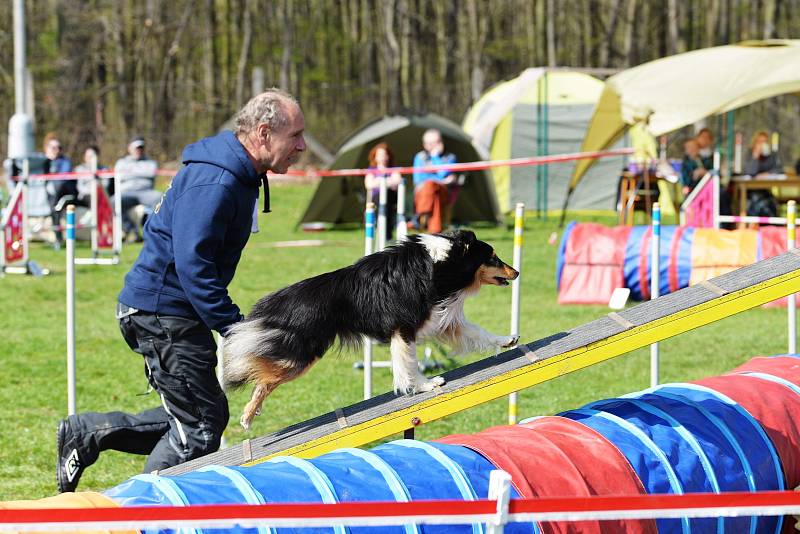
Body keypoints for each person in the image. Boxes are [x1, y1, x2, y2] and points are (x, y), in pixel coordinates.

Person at [55, 89, 307, 492]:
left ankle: (88, 433)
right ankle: (144, 514)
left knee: (200, 414)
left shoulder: (240, 174)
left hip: (171, 308)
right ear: (263, 133)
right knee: (199, 429)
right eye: (295, 135)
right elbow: (193, 265)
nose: (302, 146)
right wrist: (236, 330)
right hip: (162, 311)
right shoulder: (218, 180)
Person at [113, 136, 161, 242]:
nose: (139, 150)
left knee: (160, 199)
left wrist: (130, 173)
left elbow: (150, 173)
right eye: (136, 148)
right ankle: (131, 231)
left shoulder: (151, 162)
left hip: (146, 192)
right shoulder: (121, 162)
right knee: (113, 201)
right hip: (126, 193)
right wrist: (140, 173)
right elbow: (119, 176)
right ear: (129, 148)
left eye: (141, 148)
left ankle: (152, 231)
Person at [412, 129, 458, 233]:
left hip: (444, 193)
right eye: (431, 143)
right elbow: (418, 179)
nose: (435, 146)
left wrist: (435, 157)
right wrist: (441, 180)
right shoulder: (420, 157)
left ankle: (419, 216)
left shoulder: (450, 157)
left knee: (433, 187)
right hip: (423, 191)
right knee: (433, 191)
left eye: (437, 142)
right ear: (425, 145)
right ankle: (435, 230)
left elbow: (443, 173)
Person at [364, 142, 403, 241]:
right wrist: (387, 182)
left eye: (384, 154)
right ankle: (384, 234)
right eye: (380, 155)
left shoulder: (393, 169)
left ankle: (387, 234)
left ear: (388, 156)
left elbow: (397, 181)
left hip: (391, 198)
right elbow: (369, 184)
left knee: (387, 197)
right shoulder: (371, 170)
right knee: (381, 198)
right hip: (376, 199)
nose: (382, 157)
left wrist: (379, 182)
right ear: (375, 157)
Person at [43, 133, 75, 247]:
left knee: (54, 206)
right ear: (47, 149)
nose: (57, 150)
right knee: (53, 204)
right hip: (47, 195)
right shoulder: (43, 161)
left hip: (64, 194)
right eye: (53, 147)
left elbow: (62, 180)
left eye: (59, 148)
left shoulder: (65, 161)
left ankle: (58, 239)